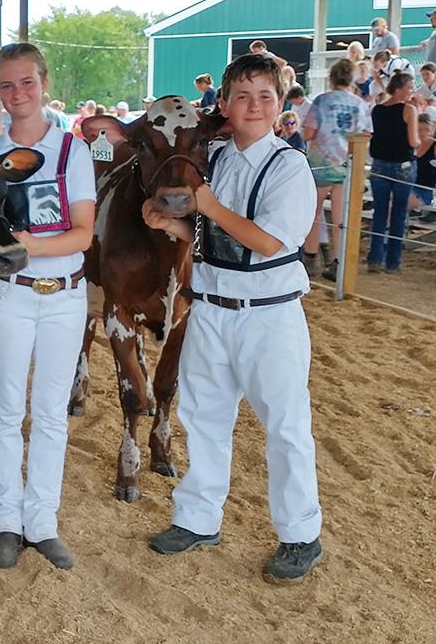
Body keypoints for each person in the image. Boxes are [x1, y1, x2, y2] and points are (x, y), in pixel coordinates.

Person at [143, 52, 323, 585]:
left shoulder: (288, 166)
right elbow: (209, 241)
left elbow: (269, 242)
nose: (253, 105)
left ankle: (300, 535)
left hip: (270, 317)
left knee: (286, 426)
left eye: (265, 96)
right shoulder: (212, 158)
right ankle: (198, 518)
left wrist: (206, 206)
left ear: (280, 104)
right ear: (223, 103)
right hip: (211, 309)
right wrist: (168, 226)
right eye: (241, 95)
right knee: (203, 417)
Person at [0, 43, 95, 572]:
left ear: (44, 83)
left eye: (26, 82)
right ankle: (6, 517)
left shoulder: (72, 151)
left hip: (64, 296)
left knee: (50, 412)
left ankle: (42, 520)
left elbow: (84, 233)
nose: (17, 93)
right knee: (6, 407)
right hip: (9, 297)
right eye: (7, 84)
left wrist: (27, 245)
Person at [303, 59, 373, 282]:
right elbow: (366, 134)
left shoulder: (322, 101)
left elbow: (308, 133)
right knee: (340, 218)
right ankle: (338, 261)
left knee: (313, 214)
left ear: (331, 78)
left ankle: (310, 258)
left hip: (321, 164)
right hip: (347, 164)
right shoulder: (360, 104)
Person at [368, 71, 421, 274]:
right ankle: (393, 262)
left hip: (379, 165)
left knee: (379, 212)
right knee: (398, 213)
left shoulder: (377, 110)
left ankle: (375, 258)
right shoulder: (409, 110)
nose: (411, 91)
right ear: (399, 89)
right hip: (403, 165)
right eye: (409, 87)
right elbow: (413, 141)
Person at [410, 113, 436, 223]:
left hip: (423, 190)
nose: (423, 133)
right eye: (419, 130)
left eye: (427, 129)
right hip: (405, 185)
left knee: (398, 203)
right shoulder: (410, 143)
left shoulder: (434, 146)